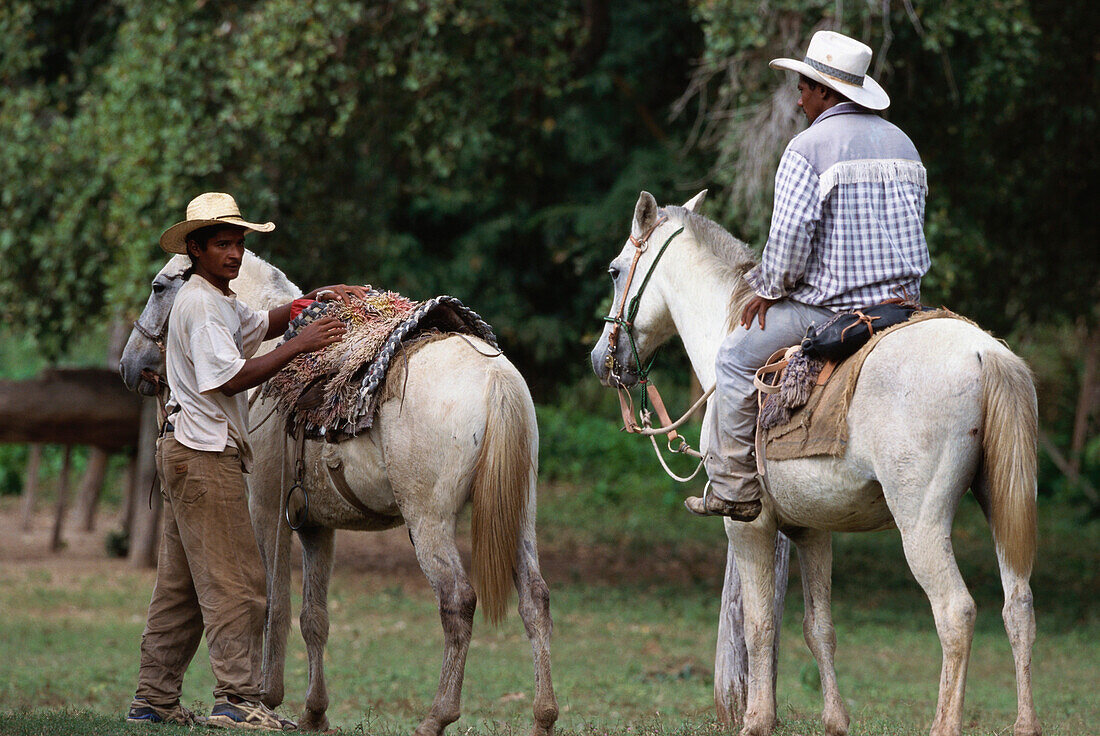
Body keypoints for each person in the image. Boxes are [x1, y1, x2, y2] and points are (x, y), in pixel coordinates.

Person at [126, 192, 368, 729]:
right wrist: (301, 345)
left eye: (238, 243)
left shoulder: (217, 299)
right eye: (222, 244)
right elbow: (230, 377)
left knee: (181, 588)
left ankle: (153, 700)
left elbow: (260, 322)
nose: (234, 254)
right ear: (195, 248)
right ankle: (236, 700)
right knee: (240, 582)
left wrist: (313, 301)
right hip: (205, 456)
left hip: (187, 454)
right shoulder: (201, 305)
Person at [686, 30, 931, 519]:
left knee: (733, 357)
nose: (799, 100)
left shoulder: (809, 148)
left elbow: (793, 238)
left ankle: (733, 487)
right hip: (903, 309)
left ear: (827, 92)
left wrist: (768, 287)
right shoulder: (904, 144)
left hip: (831, 309)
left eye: (804, 88)